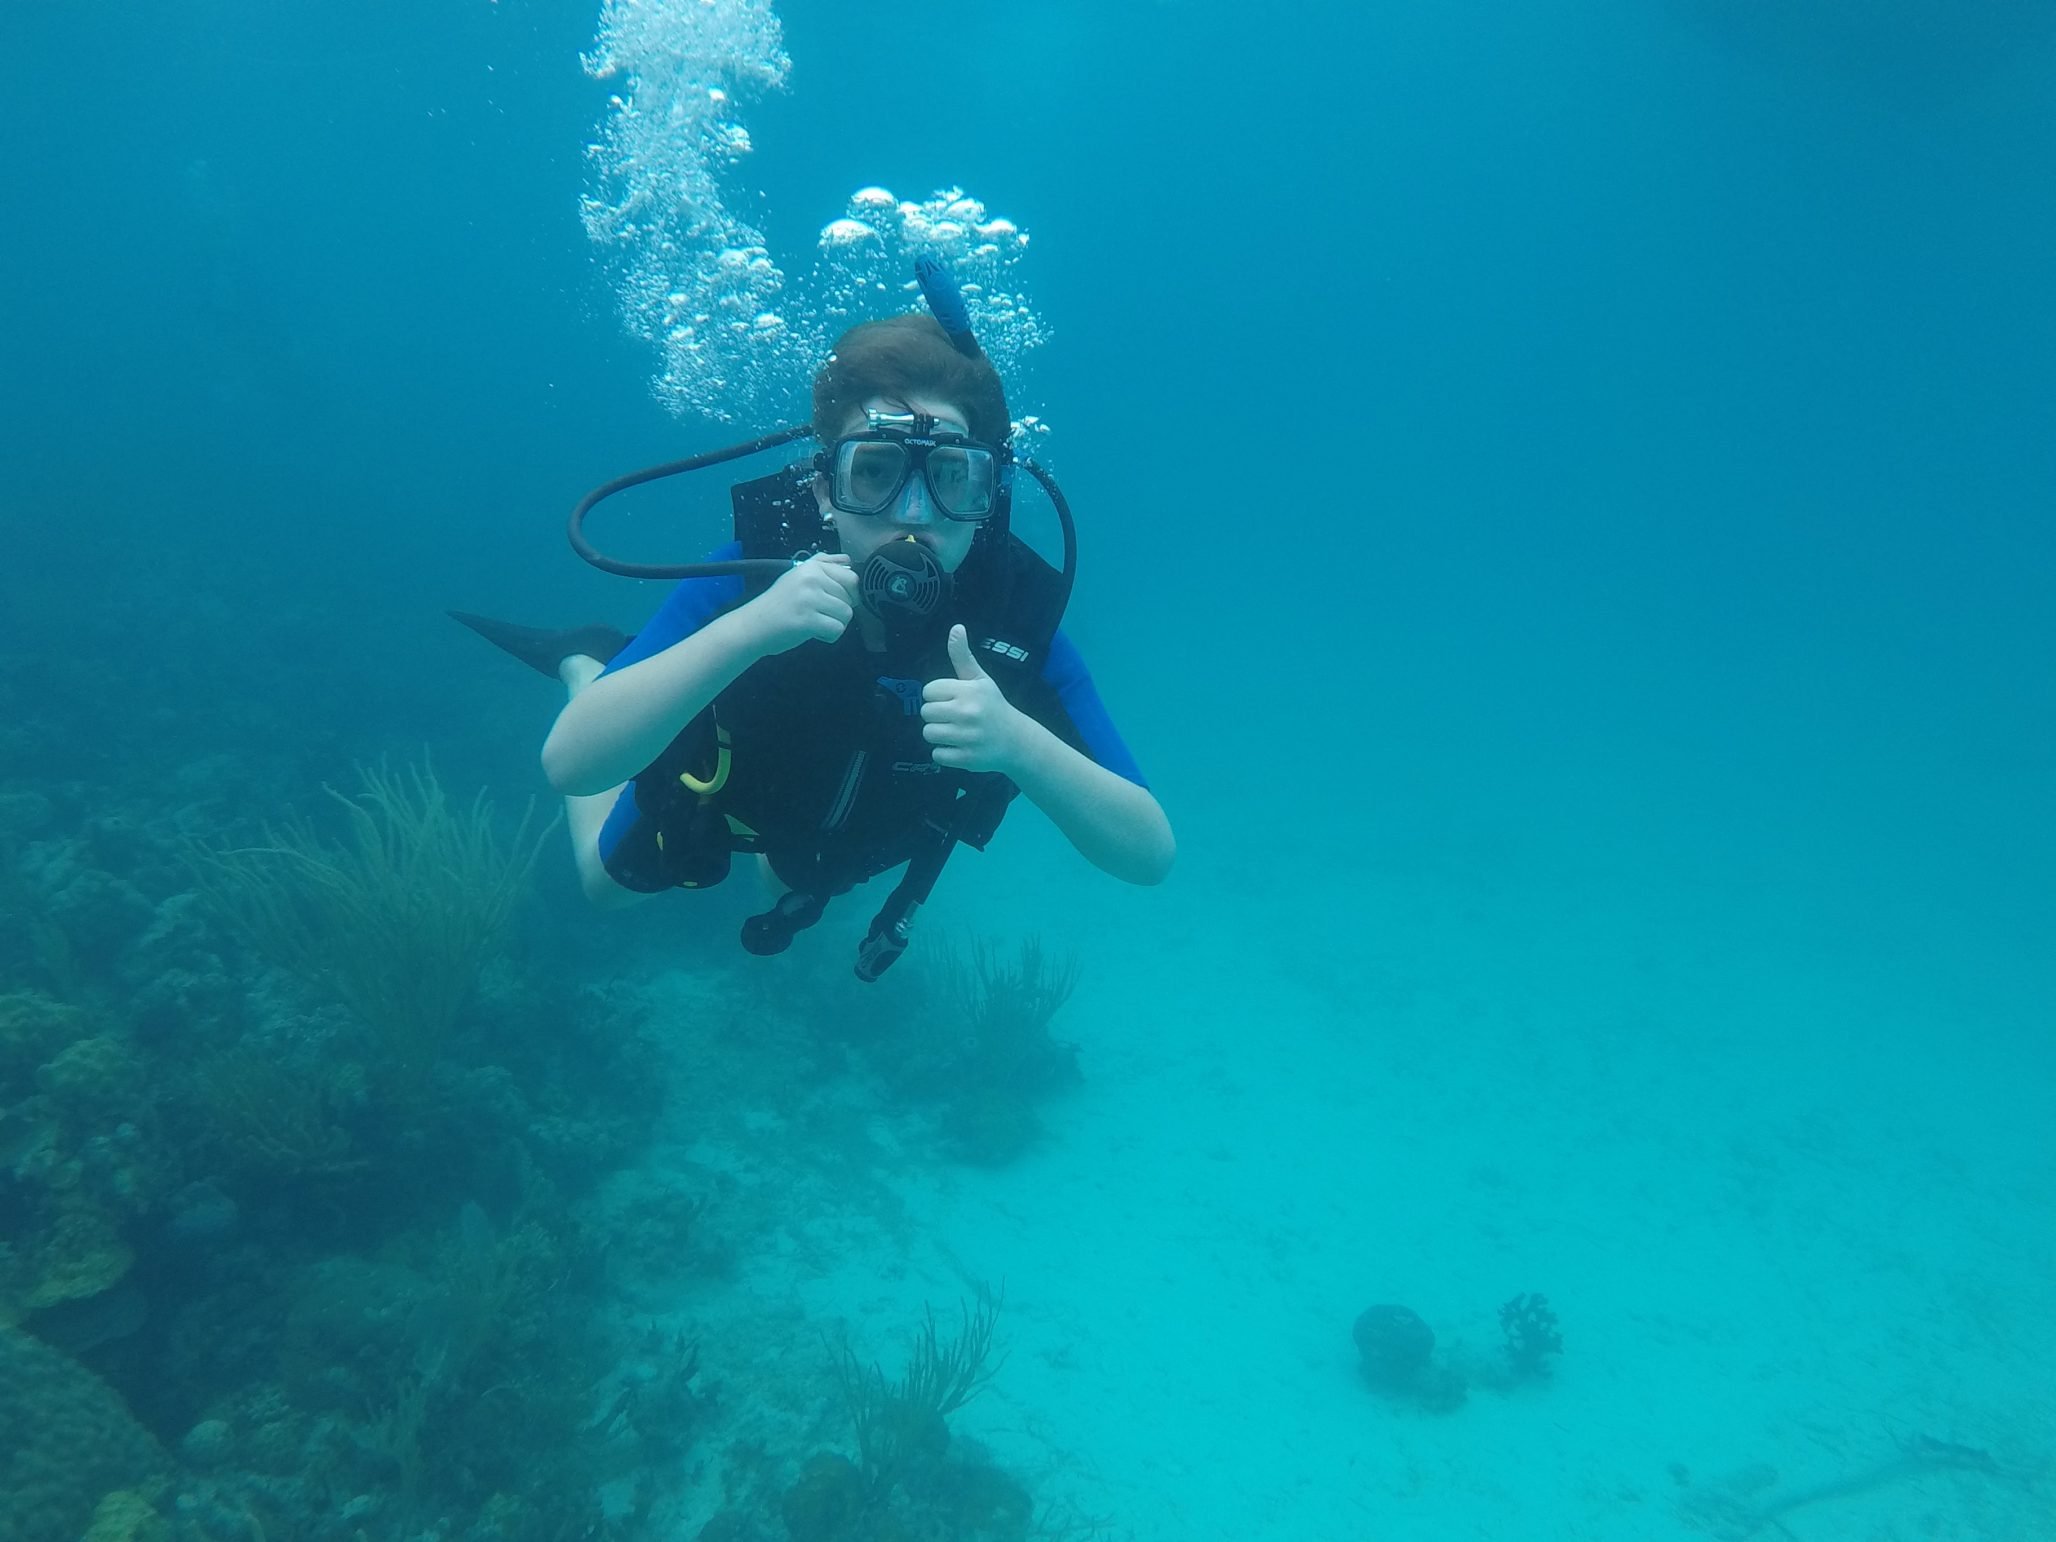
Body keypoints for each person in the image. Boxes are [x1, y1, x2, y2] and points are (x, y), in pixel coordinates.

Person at [458, 298, 1172, 978]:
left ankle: (782, 855)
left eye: (951, 478)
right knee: (605, 887)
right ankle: (588, 662)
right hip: (736, 782)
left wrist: (1019, 743)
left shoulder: (1014, 619)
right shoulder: (754, 576)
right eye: (877, 472)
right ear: (825, 489)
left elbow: (1148, 852)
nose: (913, 515)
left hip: (843, 824)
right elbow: (570, 766)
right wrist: (751, 629)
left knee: (792, 879)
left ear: (987, 500)